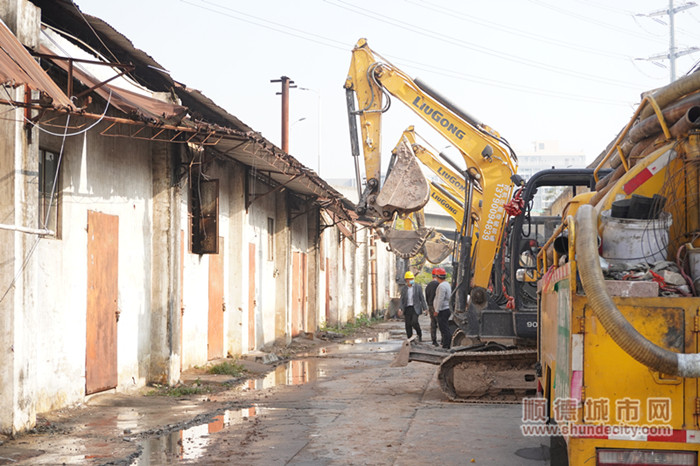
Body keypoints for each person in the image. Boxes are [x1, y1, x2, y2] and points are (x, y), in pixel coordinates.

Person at [399, 270, 427, 341]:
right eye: (409, 279)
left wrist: (425, 308)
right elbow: (402, 299)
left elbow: (422, 298)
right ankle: (410, 338)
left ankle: (419, 334)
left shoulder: (418, 287)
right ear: (406, 280)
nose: (411, 280)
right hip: (407, 308)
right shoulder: (404, 289)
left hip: (415, 308)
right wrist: (400, 308)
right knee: (408, 324)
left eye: (412, 279)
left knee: (414, 322)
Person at [433, 268, 453, 349]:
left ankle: (446, 345)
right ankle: (447, 344)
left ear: (438, 277)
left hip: (442, 310)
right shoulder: (447, 284)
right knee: (445, 328)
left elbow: (440, 299)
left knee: (444, 329)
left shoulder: (441, 286)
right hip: (446, 309)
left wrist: (436, 310)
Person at [424, 268, 440, 346]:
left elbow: (426, 296)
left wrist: (429, 305)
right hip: (438, 306)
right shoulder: (439, 285)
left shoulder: (428, 285)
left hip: (431, 306)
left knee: (433, 323)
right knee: (440, 323)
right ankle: (443, 340)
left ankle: (434, 340)